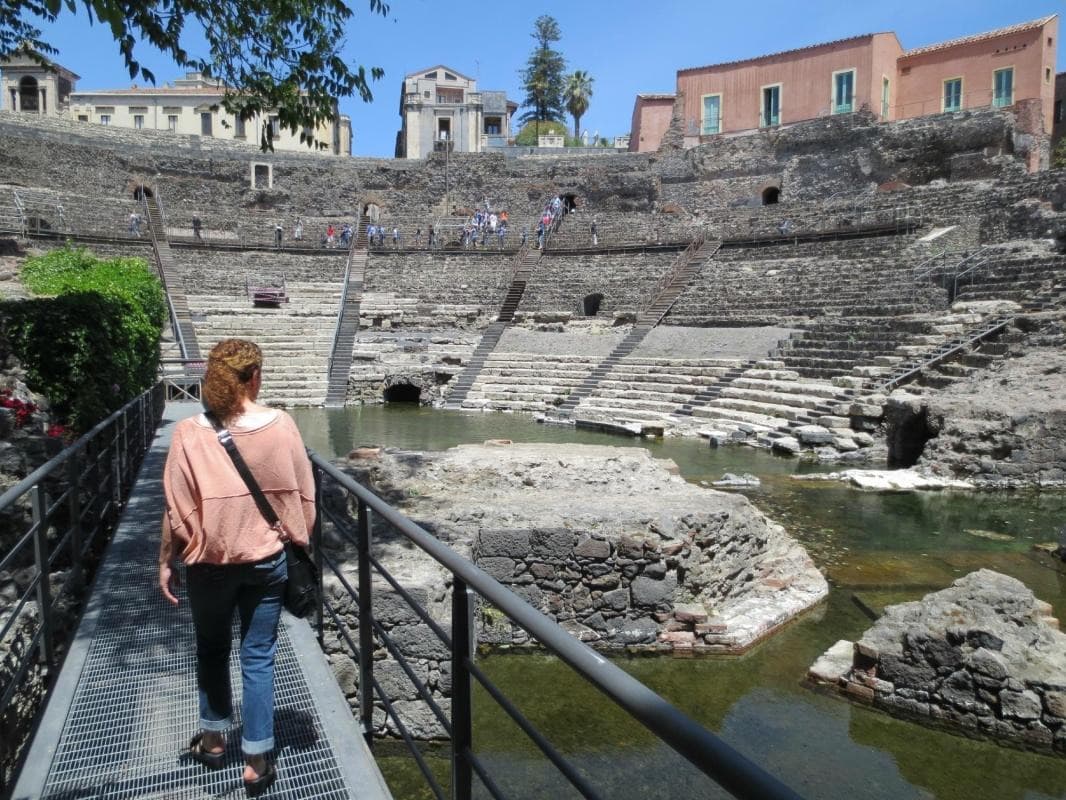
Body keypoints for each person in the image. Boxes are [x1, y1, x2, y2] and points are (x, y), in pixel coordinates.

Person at [160, 339, 315, 798]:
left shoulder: (189, 433)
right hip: (267, 562)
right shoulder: (282, 424)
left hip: (208, 565)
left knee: (211, 647)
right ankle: (256, 760)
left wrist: (166, 560)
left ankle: (212, 739)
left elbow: (175, 509)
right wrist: (293, 537)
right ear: (256, 377)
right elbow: (303, 497)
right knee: (258, 656)